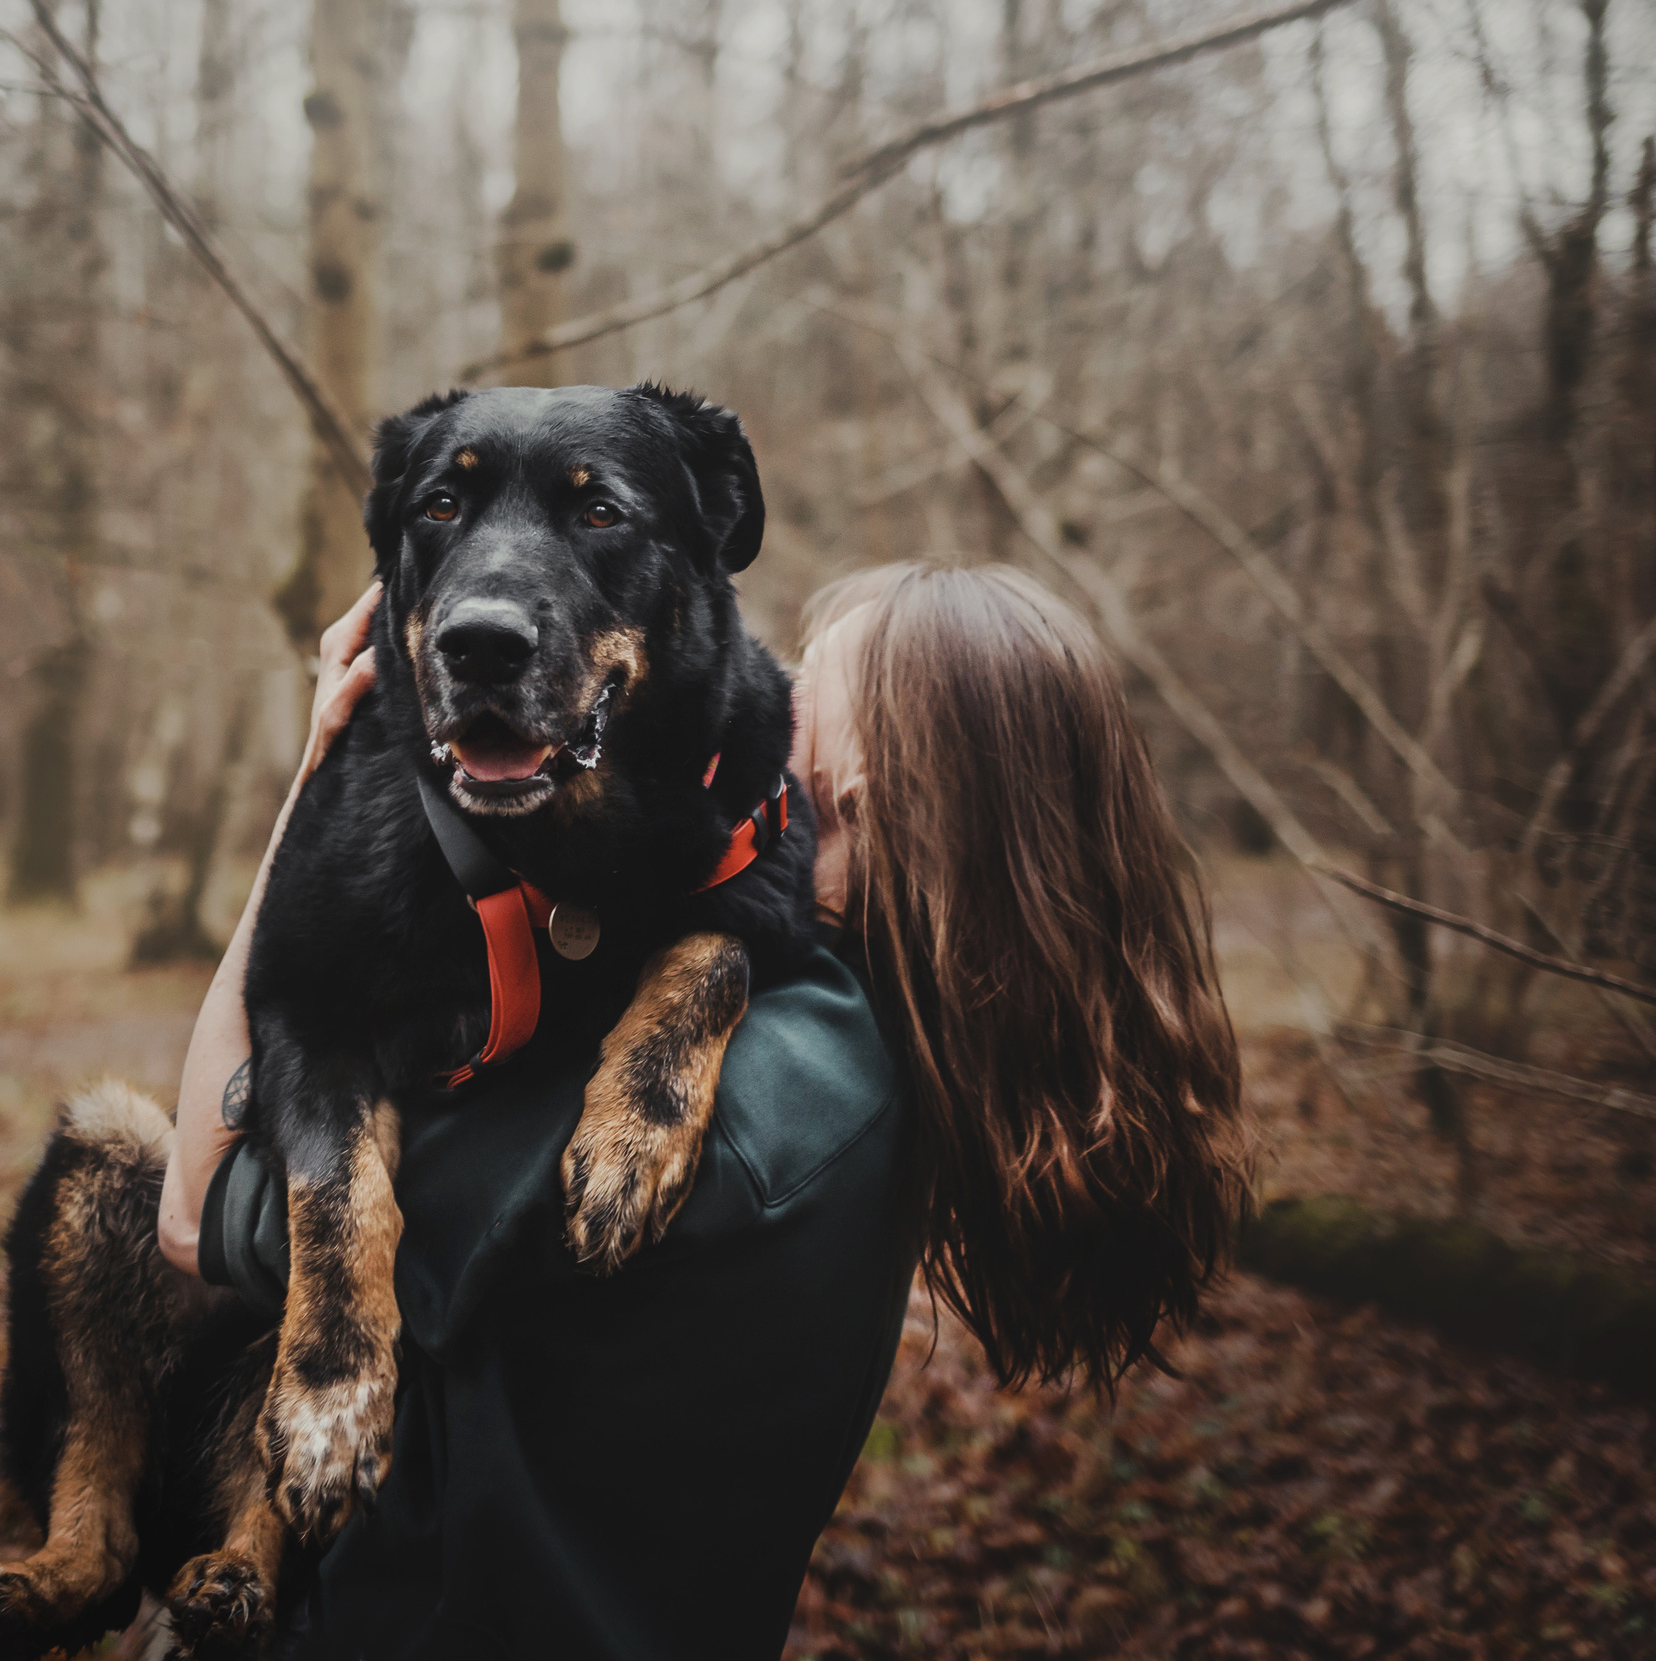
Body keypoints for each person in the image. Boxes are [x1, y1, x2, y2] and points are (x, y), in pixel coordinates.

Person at [155, 560, 1252, 1659]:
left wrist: (325, 770)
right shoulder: (846, 1034)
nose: (753, 685)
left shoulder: (749, 1103)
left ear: (875, 777)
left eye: (802, 678)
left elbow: (200, 1205)